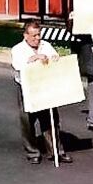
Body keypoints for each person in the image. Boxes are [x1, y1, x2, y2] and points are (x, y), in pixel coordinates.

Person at [10, 20, 72, 164]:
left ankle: (56, 151)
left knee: (51, 120)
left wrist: (55, 58)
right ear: (25, 35)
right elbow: (18, 66)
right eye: (34, 36)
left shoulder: (46, 46)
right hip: (27, 87)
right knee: (28, 121)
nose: (37, 38)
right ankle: (32, 152)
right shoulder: (18, 49)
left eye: (39, 35)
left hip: (44, 86)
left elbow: (54, 58)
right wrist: (34, 59)